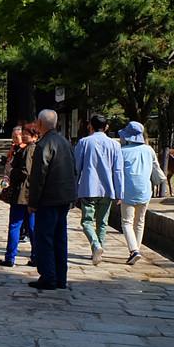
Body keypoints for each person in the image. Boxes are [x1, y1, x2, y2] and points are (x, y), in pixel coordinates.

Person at [28, 109, 76, 290]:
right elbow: (74, 170)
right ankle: (60, 277)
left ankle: (48, 276)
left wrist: (32, 202)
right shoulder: (65, 142)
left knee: (45, 238)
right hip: (64, 198)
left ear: (40, 123)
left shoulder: (43, 145)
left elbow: (38, 177)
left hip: (48, 199)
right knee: (60, 238)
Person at [74, 113, 123, 264]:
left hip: (89, 187)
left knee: (87, 221)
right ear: (106, 127)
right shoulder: (115, 145)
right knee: (102, 222)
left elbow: (77, 167)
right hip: (108, 188)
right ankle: (99, 248)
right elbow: (118, 170)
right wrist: (120, 192)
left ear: (90, 126)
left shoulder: (84, 142)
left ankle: (95, 245)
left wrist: (74, 187)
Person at [117, 121, 159, 266]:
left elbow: (118, 173)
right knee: (140, 222)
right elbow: (155, 167)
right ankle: (137, 249)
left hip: (128, 190)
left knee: (127, 222)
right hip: (145, 190)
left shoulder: (122, 152)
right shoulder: (149, 150)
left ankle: (134, 251)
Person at [0, 123, 37, 267]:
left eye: (26, 133)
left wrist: (11, 171)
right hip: (30, 193)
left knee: (16, 225)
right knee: (32, 226)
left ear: (33, 135)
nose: (23, 136)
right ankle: (35, 256)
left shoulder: (28, 150)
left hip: (22, 193)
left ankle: (10, 257)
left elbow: (25, 172)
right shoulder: (34, 149)